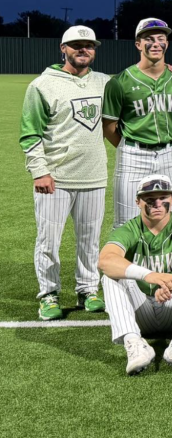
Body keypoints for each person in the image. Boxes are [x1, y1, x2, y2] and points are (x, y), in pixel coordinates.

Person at [21, 25, 110, 319]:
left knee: (90, 239)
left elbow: (138, 87)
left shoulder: (105, 83)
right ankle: (48, 294)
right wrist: (39, 171)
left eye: (89, 45)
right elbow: (30, 134)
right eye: (76, 45)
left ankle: (88, 289)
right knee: (49, 241)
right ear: (63, 48)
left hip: (94, 176)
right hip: (55, 179)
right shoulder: (42, 85)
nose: (83, 50)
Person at [98, 174, 172, 374]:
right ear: (138, 202)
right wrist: (150, 275)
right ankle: (134, 343)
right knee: (110, 276)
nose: (157, 204)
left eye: (163, 199)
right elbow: (106, 260)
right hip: (140, 309)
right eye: (150, 200)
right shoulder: (130, 229)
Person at [102, 18, 172, 230]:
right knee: (125, 222)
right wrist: (129, 147)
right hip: (133, 154)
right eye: (149, 39)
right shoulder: (119, 82)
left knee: (168, 219)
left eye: (161, 38)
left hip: (170, 154)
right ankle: (121, 264)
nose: (156, 43)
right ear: (138, 44)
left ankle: (161, 263)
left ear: (167, 43)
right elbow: (109, 126)